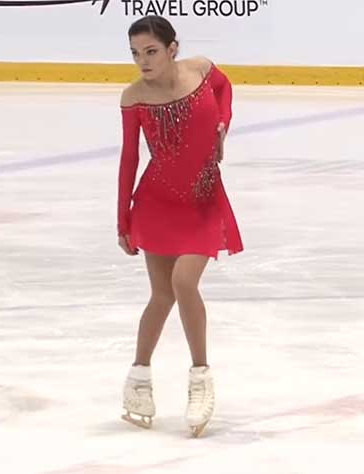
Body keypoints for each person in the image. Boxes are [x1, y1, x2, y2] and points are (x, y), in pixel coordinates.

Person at [116, 14, 243, 437]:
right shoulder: (134, 97)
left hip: (203, 199)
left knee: (184, 282)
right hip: (156, 202)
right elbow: (129, 159)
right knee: (161, 295)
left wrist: (223, 124)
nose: (143, 61)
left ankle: (200, 378)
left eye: (151, 51)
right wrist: (123, 219)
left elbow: (225, 89)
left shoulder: (200, 70)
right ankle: (138, 377)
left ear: (172, 49)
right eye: (136, 53)